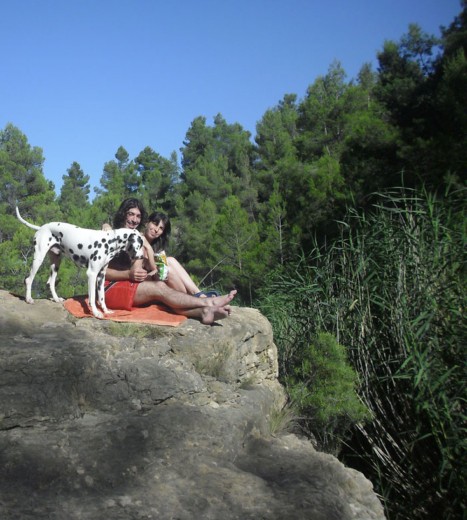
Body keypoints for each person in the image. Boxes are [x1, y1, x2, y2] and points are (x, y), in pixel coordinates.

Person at [104, 198, 235, 325]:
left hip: (129, 285)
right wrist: (130, 274)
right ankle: (206, 302)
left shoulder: (135, 238)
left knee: (166, 275)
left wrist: (148, 256)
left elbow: (138, 270)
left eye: (138, 216)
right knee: (160, 287)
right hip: (109, 289)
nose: (134, 220)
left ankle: (204, 311)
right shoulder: (111, 236)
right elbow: (101, 271)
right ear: (122, 214)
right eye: (130, 214)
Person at [143, 211, 219, 297]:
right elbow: (153, 269)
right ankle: (196, 296)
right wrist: (148, 249)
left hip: (157, 281)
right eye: (154, 224)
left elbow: (161, 271)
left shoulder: (157, 246)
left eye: (161, 228)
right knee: (169, 265)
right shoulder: (137, 240)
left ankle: (196, 294)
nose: (156, 230)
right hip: (142, 283)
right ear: (146, 223)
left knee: (170, 263)